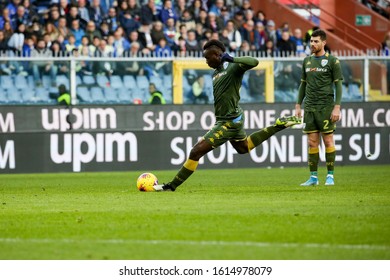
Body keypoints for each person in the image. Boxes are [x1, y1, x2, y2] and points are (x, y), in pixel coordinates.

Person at [154, 39, 301, 191]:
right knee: (244, 147)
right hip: (229, 118)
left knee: (196, 151)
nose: (206, 61)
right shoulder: (216, 73)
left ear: (218, 55)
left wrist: (232, 58)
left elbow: (254, 61)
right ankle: (277, 126)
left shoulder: (233, 67)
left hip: (229, 121)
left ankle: (171, 186)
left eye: (207, 58)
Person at [294, 29, 343, 186]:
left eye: (316, 41)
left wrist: (337, 107)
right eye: (311, 41)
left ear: (324, 43)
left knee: (328, 140)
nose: (312, 44)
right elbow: (303, 84)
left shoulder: (332, 61)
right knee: (312, 142)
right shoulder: (306, 61)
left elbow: (339, 85)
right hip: (310, 107)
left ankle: (330, 176)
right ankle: (313, 177)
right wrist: (297, 105)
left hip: (325, 107)